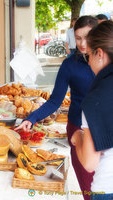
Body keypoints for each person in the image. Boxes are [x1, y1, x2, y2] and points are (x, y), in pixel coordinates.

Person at [15, 16, 98, 200]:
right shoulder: (69, 65)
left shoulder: (107, 60)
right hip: (79, 130)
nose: (82, 43)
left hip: (105, 130)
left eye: (88, 37)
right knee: (88, 189)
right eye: (78, 38)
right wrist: (31, 118)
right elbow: (54, 101)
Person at [71, 20, 113, 200]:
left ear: (100, 54)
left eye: (89, 55)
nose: (88, 62)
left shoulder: (95, 99)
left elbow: (89, 163)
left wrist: (78, 138)